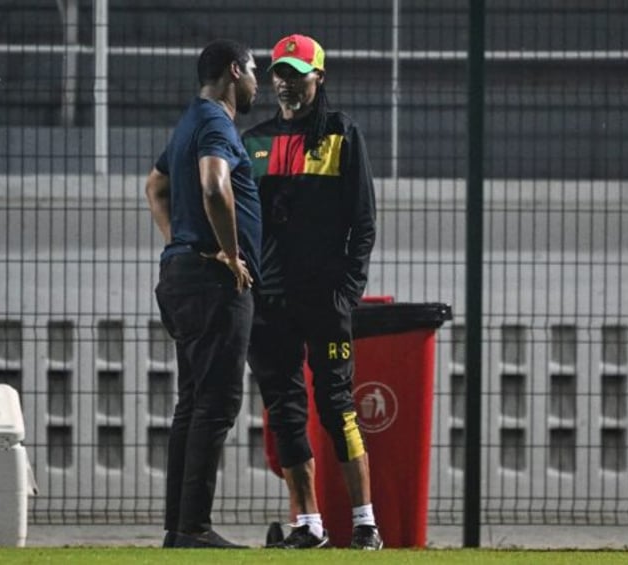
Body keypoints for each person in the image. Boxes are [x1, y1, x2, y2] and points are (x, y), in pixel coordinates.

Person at [242, 34, 381, 550]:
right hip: (270, 303)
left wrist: (347, 290)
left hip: (325, 301)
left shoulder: (344, 135)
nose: (286, 82)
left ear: (319, 78)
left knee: (337, 405)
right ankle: (310, 526)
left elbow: (363, 223)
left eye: (298, 73)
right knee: (285, 411)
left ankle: (366, 523)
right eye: (281, 71)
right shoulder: (254, 141)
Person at [145, 38, 261, 549]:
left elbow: (154, 187)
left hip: (182, 277)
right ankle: (193, 527)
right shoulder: (216, 122)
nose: (259, 81)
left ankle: (179, 526)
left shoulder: (189, 120)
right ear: (235, 71)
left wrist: (180, 246)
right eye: (256, 71)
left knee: (191, 404)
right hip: (214, 284)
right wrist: (229, 252)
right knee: (215, 404)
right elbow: (215, 186)